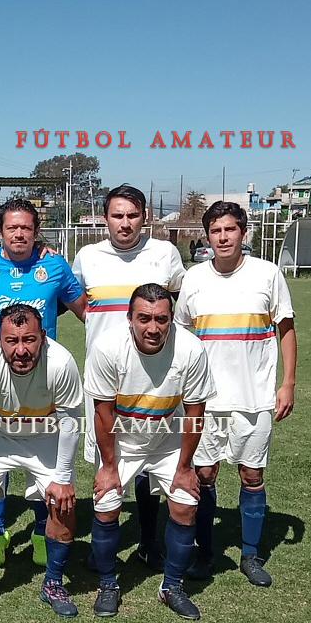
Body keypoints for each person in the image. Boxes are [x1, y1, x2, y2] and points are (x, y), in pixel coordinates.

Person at [0, 198, 87, 568]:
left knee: (44, 458)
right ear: (0, 231)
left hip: (42, 378)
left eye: (26, 227)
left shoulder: (54, 265)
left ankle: (41, 530)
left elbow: (88, 313)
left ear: (36, 231)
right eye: (11, 227)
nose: (19, 233)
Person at [174, 201, 296, 587]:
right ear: (207, 236)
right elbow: (180, 335)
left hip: (254, 397)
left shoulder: (267, 274)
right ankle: (204, 553)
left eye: (230, 229)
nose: (223, 237)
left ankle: (250, 555)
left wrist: (288, 384)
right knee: (204, 474)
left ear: (244, 232)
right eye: (216, 231)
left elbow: (286, 329)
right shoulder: (194, 278)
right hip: (204, 400)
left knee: (251, 473)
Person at [72, 184, 187, 573]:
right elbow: (78, 303)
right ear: (105, 218)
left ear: (145, 217)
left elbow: (180, 304)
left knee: (150, 460)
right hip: (105, 378)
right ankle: (104, 548)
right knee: (107, 459)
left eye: (133, 215)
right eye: (117, 215)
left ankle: (148, 542)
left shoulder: (164, 254)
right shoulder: (88, 257)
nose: (125, 223)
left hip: (155, 377)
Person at [85, 283, 215, 620]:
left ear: (172, 319)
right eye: (144, 318)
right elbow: (103, 413)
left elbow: (195, 413)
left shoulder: (191, 349)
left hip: (167, 437)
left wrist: (184, 467)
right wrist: (108, 467)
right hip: (121, 440)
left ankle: (171, 587)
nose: (153, 328)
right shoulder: (107, 347)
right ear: (129, 318)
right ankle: (108, 584)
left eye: (161, 319)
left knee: (185, 505)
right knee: (106, 505)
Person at [0, 304, 84, 619]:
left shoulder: (61, 363)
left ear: (43, 336)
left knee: (63, 503)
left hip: (45, 435)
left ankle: (53, 583)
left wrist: (63, 478)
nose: (21, 350)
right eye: (12, 340)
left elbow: (70, 422)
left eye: (29, 339)